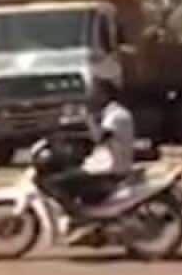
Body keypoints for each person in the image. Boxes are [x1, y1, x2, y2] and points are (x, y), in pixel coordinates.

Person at [47, 79, 135, 213]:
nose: (90, 97)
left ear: (104, 95)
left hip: (110, 168)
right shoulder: (112, 113)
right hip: (108, 165)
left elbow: (99, 138)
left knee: (56, 182)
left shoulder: (116, 116)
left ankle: (76, 215)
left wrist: (88, 117)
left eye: (94, 93)